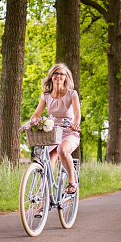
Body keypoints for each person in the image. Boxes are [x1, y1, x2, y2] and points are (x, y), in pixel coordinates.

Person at [30, 63, 81, 197]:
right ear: (51, 76)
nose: (58, 76)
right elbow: (36, 115)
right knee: (46, 164)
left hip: (69, 131)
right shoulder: (46, 95)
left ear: (66, 77)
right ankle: (43, 202)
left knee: (62, 150)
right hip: (53, 133)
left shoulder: (71, 94)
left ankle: (72, 181)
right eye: (56, 73)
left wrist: (75, 124)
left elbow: (77, 113)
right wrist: (30, 124)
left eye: (61, 74)